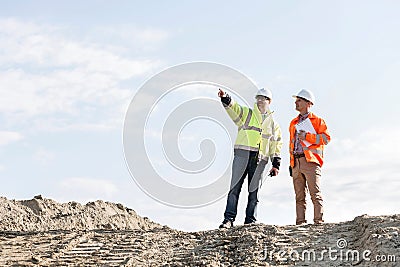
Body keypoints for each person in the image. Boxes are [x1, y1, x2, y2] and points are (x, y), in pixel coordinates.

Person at [218, 88, 283, 229]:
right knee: (234, 189)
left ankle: (250, 221)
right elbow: (234, 108)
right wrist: (226, 97)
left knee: (253, 192)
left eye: (263, 98)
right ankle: (228, 219)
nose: (260, 101)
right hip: (242, 155)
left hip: (259, 160)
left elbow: (276, 144)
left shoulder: (273, 125)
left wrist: (276, 164)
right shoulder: (247, 113)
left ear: (269, 101)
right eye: (258, 98)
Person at [289, 89, 331, 225]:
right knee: (299, 196)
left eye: (299, 100)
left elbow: (325, 138)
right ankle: (300, 222)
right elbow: (291, 144)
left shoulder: (318, 121)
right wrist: (292, 164)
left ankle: (318, 221)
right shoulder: (293, 122)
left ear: (308, 103)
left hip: (311, 162)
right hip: (296, 162)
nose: (296, 102)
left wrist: (307, 137)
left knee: (315, 193)